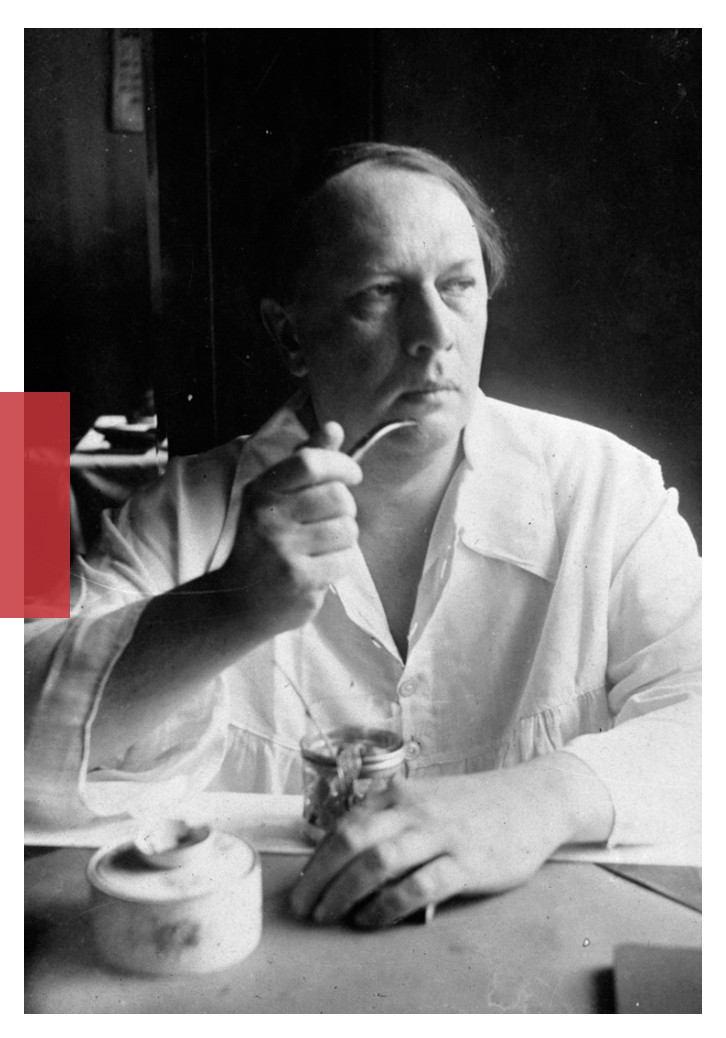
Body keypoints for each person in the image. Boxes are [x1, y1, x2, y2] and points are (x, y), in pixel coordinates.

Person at [25, 142, 701, 929]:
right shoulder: (183, 516)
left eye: (458, 286)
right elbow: (17, 743)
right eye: (379, 293)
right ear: (289, 335)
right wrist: (226, 607)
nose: (435, 333)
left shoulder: (605, 489)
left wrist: (536, 800)